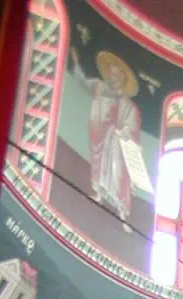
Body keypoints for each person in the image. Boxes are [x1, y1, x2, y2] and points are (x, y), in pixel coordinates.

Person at [70, 49, 141, 227]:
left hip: (117, 144)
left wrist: (122, 132)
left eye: (118, 75)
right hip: (100, 137)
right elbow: (83, 82)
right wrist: (76, 63)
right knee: (100, 167)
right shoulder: (100, 87)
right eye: (112, 73)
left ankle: (122, 213)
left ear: (124, 79)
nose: (114, 78)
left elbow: (132, 125)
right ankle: (98, 194)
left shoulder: (130, 105)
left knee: (118, 174)